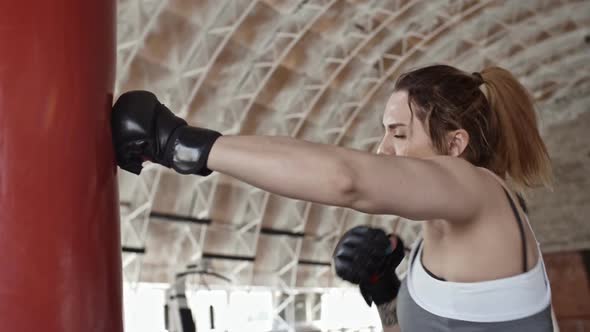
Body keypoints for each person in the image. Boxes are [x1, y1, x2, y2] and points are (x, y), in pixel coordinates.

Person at [111, 64, 554, 331]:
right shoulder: (435, 243)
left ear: (456, 145)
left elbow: (348, 179)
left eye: (399, 133)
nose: (384, 149)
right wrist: (384, 292)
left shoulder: (480, 191)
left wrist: (182, 145)